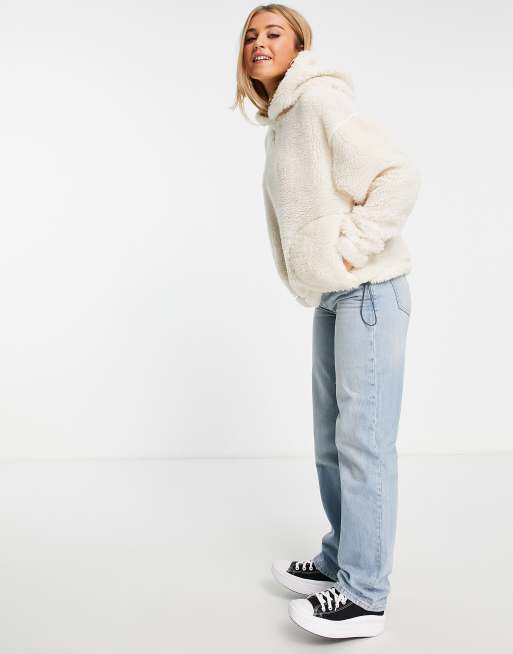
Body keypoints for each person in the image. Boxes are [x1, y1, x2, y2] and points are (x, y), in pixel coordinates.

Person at [232, 4, 421, 640]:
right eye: (250, 36)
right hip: (335, 297)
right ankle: (341, 559)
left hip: (368, 290)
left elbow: (398, 175)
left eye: (273, 33)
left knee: (363, 443)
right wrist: (326, 270)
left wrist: (350, 248)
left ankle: (364, 595)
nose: (259, 43)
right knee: (331, 441)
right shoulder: (282, 123)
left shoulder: (318, 101)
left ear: (299, 47)